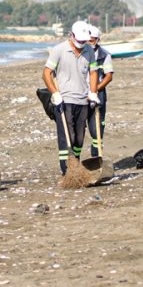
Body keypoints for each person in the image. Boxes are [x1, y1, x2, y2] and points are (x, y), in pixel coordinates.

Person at [43, 21, 100, 174]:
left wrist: (93, 92)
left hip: (83, 100)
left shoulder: (89, 50)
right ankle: (67, 169)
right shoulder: (59, 50)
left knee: (79, 138)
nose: (82, 43)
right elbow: (46, 73)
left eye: (84, 40)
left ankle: (75, 163)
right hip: (64, 100)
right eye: (79, 40)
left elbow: (93, 72)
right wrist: (55, 93)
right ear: (72, 35)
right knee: (67, 136)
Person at [87, 25, 114, 158]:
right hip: (80, 94)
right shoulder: (80, 53)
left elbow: (108, 76)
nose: (89, 42)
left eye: (92, 40)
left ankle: (96, 158)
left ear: (97, 40)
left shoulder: (104, 55)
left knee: (97, 129)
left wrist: (95, 89)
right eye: (88, 39)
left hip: (99, 94)